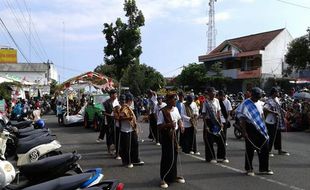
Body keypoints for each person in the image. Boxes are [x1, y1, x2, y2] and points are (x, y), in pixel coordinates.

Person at [236, 87, 273, 176]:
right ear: (252, 95)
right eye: (256, 97)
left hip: (260, 128)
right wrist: (244, 131)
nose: (258, 98)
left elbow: (262, 114)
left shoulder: (260, 103)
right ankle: (249, 168)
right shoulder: (245, 104)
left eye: (259, 97)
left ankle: (264, 168)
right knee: (250, 149)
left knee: (265, 147)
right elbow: (242, 118)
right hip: (250, 127)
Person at [157, 93, 185, 189]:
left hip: (175, 134)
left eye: (175, 99)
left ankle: (173, 176)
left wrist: (181, 125)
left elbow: (179, 119)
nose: (175, 101)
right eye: (173, 99)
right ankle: (163, 178)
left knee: (175, 155)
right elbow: (159, 126)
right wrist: (169, 125)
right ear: (168, 100)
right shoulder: (163, 112)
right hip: (166, 136)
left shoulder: (176, 109)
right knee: (167, 156)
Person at [202, 87, 228, 164]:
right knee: (209, 140)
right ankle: (211, 157)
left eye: (214, 93)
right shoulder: (205, 102)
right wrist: (206, 125)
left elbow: (218, 112)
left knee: (221, 138)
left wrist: (220, 122)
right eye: (212, 93)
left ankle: (221, 156)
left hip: (216, 122)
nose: (213, 94)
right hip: (209, 122)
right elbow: (203, 114)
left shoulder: (216, 100)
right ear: (209, 93)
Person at [119, 93, 144, 168]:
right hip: (126, 130)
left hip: (132, 129)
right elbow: (120, 118)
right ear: (129, 100)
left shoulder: (129, 107)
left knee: (135, 145)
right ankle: (126, 162)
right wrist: (128, 118)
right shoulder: (124, 108)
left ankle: (135, 159)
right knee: (126, 147)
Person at [264, 87, 289, 156]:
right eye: (277, 92)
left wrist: (283, 111)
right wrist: (273, 112)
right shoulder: (269, 100)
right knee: (271, 136)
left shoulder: (277, 99)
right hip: (271, 120)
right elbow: (265, 108)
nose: (278, 93)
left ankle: (279, 150)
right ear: (274, 93)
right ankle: (268, 150)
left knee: (278, 135)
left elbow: (278, 107)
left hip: (277, 120)